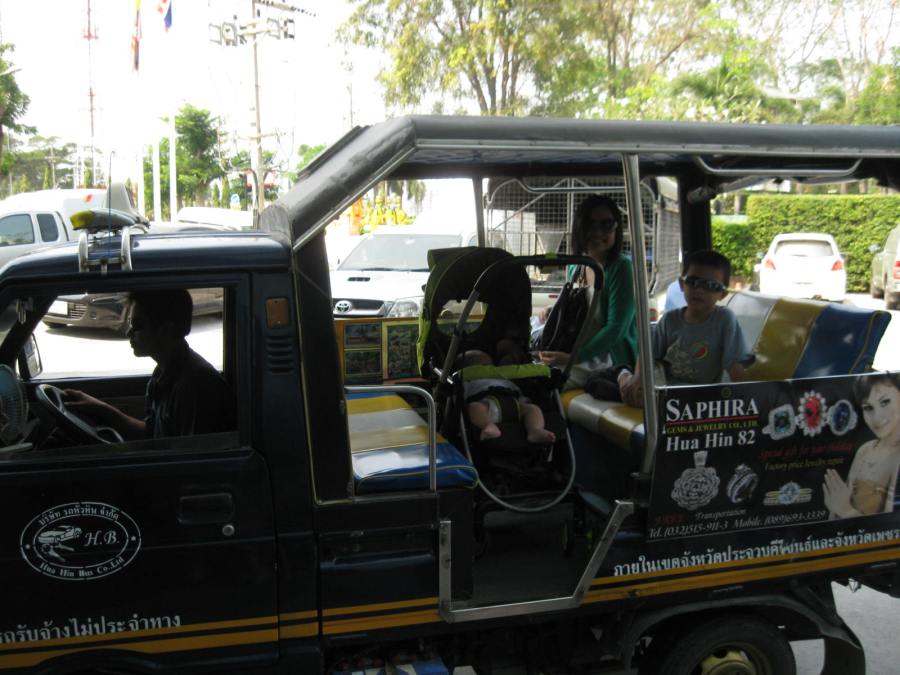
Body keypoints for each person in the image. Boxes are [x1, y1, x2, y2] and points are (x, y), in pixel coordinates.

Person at [64, 289, 237, 440]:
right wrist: (102, 410)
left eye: (137, 325)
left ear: (167, 330)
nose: (129, 332)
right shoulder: (163, 373)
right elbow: (152, 434)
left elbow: (192, 458)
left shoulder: (197, 387)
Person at [618, 249, 751, 408]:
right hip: (668, 391)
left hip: (703, 397)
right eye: (693, 281)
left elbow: (735, 365)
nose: (699, 290)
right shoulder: (669, 320)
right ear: (682, 284)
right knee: (633, 394)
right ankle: (623, 376)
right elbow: (647, 355)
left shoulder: (724, 320)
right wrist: (638, 378)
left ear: (722, 294)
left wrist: (745, 401)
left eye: (711, 285)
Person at [537, 195, 638, 389]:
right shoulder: (576, 265)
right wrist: (553, 310)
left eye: (606, 225)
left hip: (608, 356)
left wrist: (574, 357)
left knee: (546, 379)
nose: (597, 232)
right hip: (575, 346)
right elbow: (575, 307)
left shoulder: (620, 268)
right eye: (590, 225)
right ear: (579, 228)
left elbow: (616, 329)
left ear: (616, 228)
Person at [823, 373, 900, 518]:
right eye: (868, 408)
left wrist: (846, 510)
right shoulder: (865, 450)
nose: (877, 418)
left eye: (885, 402)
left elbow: (891, 527)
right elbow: (836, 512)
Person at [462, 350, 556, 444]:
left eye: (491, 365)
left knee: (533, 409)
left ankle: (535, 430)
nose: (490, 369)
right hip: (487, 404)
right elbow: (461, 396)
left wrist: (522, 400)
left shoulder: (503, 378)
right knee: (474, 407)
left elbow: (517, 391)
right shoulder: (468, 380)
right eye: (484, 366)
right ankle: (487, 425)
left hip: (513, 404)